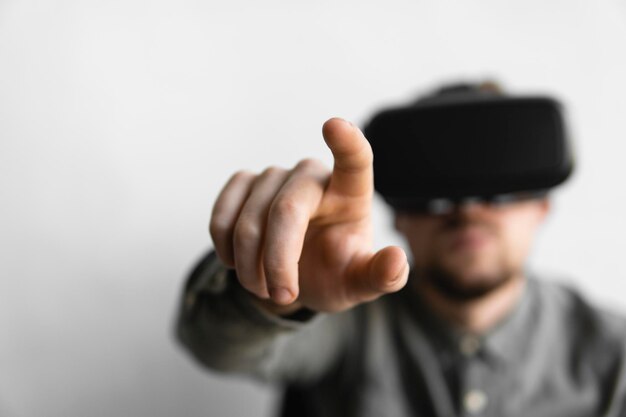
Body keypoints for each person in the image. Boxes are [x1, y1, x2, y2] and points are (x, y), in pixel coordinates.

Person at [175, 83, 626, 417]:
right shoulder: (343, 321)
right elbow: (217, 347)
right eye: (435, 191)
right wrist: (274, 285)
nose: (466, 209)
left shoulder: (613, 354)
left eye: (496, 190)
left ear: (542, 206)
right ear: (398, 214)